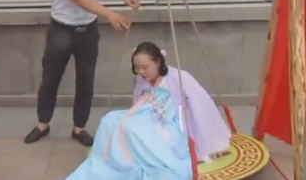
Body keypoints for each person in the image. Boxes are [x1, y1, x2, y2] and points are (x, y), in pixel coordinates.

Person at [24, 0, 139, 147]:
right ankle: (42, 124)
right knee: (50, 79)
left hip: (87, 31)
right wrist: (110, 14)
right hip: (61, 30)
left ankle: (79, 128)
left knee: (86, 81)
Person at [64, 42, 231, 180]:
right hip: (145, 117)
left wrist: (210, 141)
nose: (141, 72)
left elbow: (201, 104)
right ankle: (111, 161)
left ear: (158, 62)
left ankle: (134, 160)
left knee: (129, 126)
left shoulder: (179, 77)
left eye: (145, 67)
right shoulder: (143, 80)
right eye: (137, 68)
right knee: (110, 119)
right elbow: (137, 105)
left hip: (168, 123)